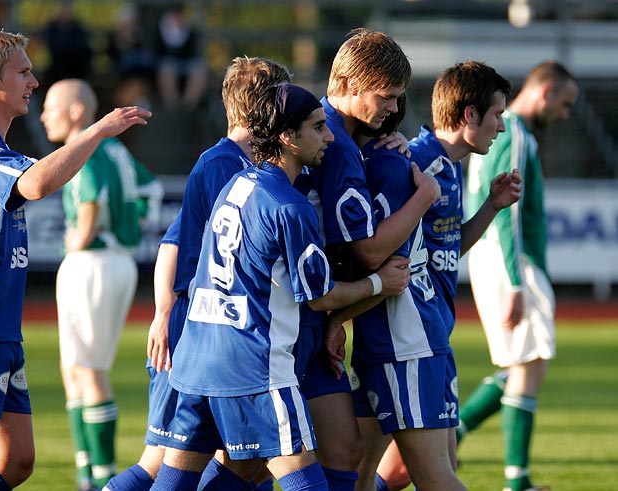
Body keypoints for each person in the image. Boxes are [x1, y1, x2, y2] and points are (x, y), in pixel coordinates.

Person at [0, 23, 150, 491]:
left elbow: (38, 177)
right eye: (23, 72)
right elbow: (37, 185)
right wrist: (98, 131)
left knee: (19, 459)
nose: (33, 82)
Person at [148, 81, 400, 491]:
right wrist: (378, 283)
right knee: (307, 484)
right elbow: (320, 298)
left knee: (182, 481)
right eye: (318, 127)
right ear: (287, 136)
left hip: (198, 356)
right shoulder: (289, 205)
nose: (330, 136)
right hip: (253, 366)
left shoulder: (236, 184)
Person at [103, 56, 293, 491]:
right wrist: (165, 313)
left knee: (242, 459)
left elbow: (174, 238)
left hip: (215, 330)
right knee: (163, 464)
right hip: (197, 328)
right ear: (264, 107)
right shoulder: (224, 165)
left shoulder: (239, 163)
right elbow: (173, 245)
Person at [368, 60, 520, 491]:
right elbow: (372, 242)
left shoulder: (448, 168)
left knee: (396, 469)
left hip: (432, 332)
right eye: (496, 116)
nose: (501, 128)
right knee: (430, 471)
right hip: (409, 337)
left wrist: (491, 207)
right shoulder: (412, 162)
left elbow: (446, 251)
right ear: (469, 115)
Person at [293, 28, 414, 491]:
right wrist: (423, 197)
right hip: (288, 313)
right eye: (385, 97)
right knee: (241, 457)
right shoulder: (339, 148)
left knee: (341, 450)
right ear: (347, 85)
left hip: (306, 310)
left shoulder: (336, 133)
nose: (391, 109)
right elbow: (366, 249)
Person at [462, 60, 578, 491]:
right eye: (564, 104)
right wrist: (515, 282)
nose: (564, 115)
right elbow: (505, 212)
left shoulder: (509, 130)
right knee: (530, 365)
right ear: (546, 92)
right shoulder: (511, 129)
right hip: (510, 260)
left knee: (522, 365)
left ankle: (456, 433)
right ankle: (517, 482)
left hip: (506, 259)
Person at [40, 78, 156, 491]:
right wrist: (130, 225)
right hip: (113, 261)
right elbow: (151, 190)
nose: (43, 114)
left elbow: (89, 200)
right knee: (74, 368)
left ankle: (100, 474)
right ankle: (86, 470)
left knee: (88, 370)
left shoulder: (86, 150)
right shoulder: (115, 150)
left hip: (94, 262)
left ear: (76, 111)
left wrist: (82, 235)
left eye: (51, 106)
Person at [153, 2, 208, 111]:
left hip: (186, 65)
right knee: (167, 68)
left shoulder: (190, 30)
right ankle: (171, 107)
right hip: (168, 65)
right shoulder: (159, 30)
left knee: (199, 70)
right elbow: (158, 54)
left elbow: (194, 53)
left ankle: (188, 107)